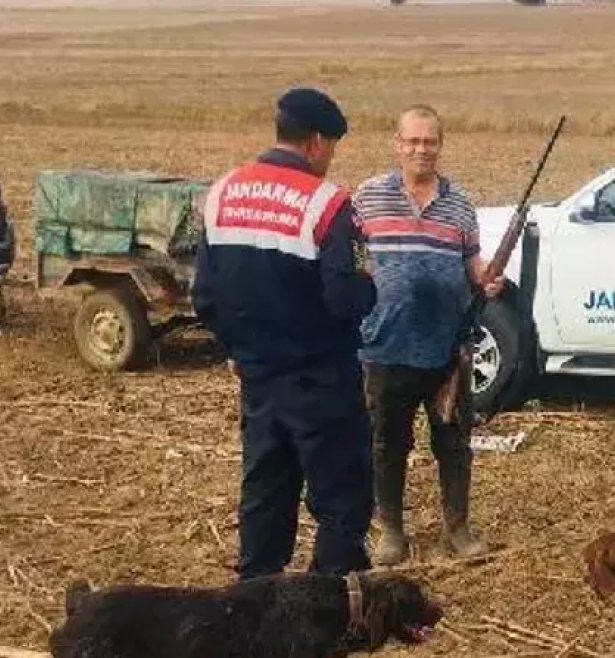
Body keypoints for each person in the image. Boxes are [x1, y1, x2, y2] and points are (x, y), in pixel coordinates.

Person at [191, 87, 378, 580]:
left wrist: (238, 348)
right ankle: (332, 600)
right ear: (317, 141)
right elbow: (346, 298)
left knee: (265, 494)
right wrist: (371, 286)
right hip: (322, 380)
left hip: (257, 378)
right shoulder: (330, 204)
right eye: (331, 147)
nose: (330, 158)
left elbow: (204, 296)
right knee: (341, 495)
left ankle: (255, 602)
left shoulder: (224, 191)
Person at [352, 103, 503, 563]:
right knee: (387, 442)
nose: (422, 149)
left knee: (453, 444)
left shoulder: (460, 205)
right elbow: (351, 259)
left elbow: (473, 267)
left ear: (441, 145)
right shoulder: (368, 197)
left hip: (446, 350)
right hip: (386, 346)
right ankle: (391, 531)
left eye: (430, 141)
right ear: (398, 144)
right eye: (413, 140)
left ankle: (457, 528)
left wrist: (487, 280)